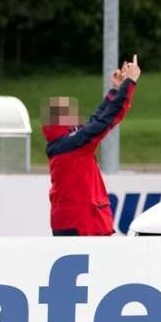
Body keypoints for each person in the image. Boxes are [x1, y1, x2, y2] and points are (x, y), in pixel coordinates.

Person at [44, 56, 140, 236]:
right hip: (84, 226)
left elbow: (95, 122)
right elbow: (103, 121)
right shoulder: (72, 144)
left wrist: (115, 89)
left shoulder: (64, 144)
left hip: (71, 224)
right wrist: (130, 82)